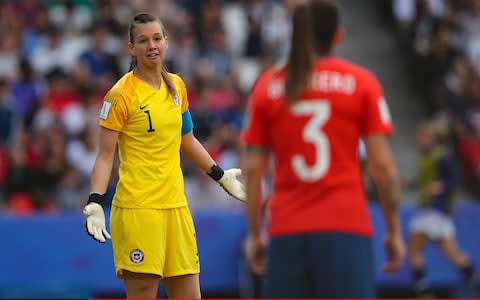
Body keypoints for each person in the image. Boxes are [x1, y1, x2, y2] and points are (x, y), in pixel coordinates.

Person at [241, 0, 406, 297]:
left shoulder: (267, 87)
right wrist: (393, 230)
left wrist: (255, 234)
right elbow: (382, 166)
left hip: (286, 229)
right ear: (338, 36)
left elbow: (253, 170)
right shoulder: (362, 83)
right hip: (345, 226)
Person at [82, 13, 246, 299]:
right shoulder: (119, 95)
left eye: (157, 38)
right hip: (139, 210)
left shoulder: (176, 86)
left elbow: (187, 139)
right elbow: (106, 155)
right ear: (131, 47)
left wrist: (220, 176)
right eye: (143, 40)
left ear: (166, 42)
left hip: (176, 207)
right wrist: (95, 201)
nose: (152, 45)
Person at [408, 120, 478, 297]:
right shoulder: (425, 156)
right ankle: (474, 280)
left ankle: (423, 290)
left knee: (414, 248)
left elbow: (456, 180)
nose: (419, 139)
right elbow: (425, 181)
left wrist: (442, 186)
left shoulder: (442, 156)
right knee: (452, 254)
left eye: (422, 136)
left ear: (432, 138)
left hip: (435, 210)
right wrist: (410, 184)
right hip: (434, 211)